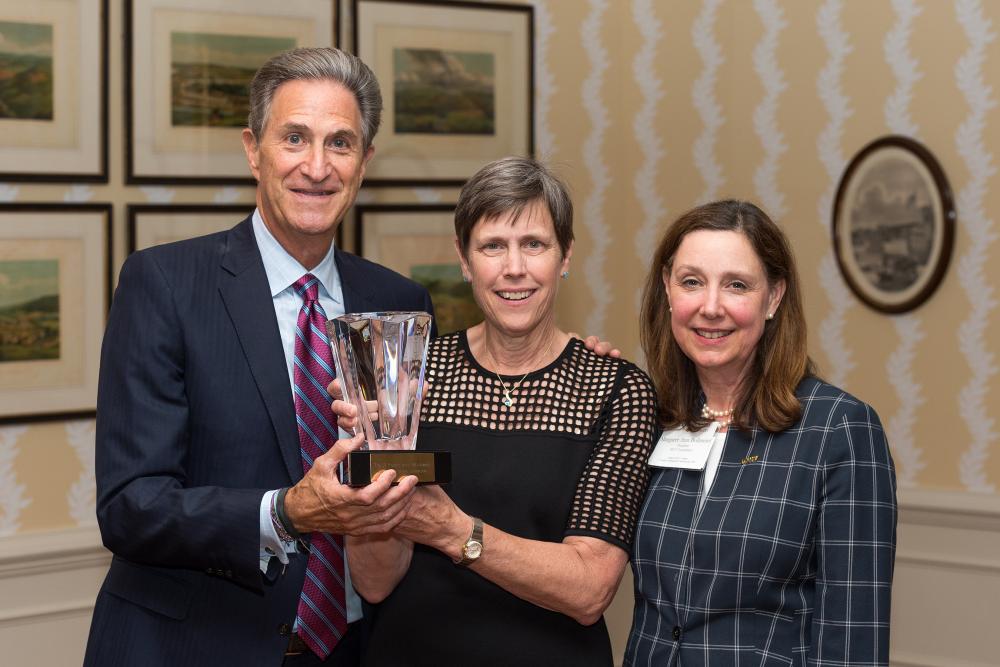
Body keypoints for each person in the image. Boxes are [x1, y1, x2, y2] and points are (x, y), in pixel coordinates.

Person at [83, 48, 432, 666]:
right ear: (254, 149)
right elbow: (130, 506)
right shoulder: (164, 283)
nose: (316, 167)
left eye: (341, 143)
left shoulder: (398, 303)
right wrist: (288, 511)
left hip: (352, 649)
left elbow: (425, 448)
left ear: (365, 162)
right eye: (294, 137)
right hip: (190, 648)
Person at [332, 156, 659, 666]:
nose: (514, 268)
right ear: (464, 260)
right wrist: (364, 470)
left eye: (534, 244)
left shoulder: (615, 390)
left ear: (565, 255)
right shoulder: (407, 378)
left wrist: (453, 530)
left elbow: (590, 589)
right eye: (492, 246)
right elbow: (374, 583)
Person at [624, 200, 897, 666]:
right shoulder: (648, 417)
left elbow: (853, 639)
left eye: (737, 286)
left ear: (773, 297)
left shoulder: (838, 429)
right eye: (692, 281)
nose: (711, 307)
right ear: (668, 290)